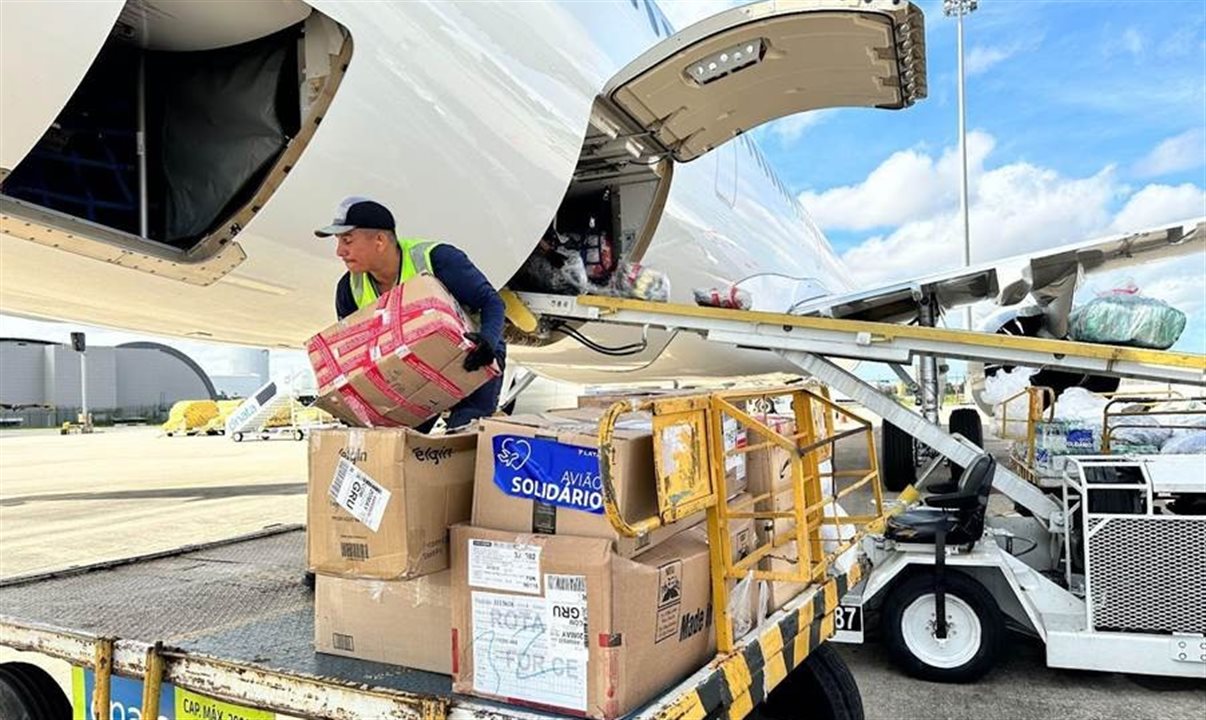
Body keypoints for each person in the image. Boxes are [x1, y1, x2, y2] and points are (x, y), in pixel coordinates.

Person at [315, 196, 506, 431]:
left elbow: (492, 302)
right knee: (400, 440)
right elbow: (354, 359)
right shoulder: (349, 289)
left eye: (347, 240)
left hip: (472, 356)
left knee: (464, 432)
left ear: (380, 240)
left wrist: (488, 340)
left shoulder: (437, 259)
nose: (340, 251)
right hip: (413, 367)